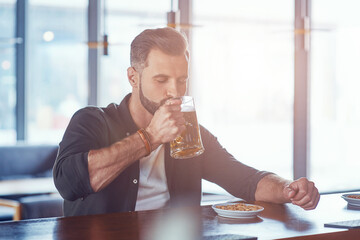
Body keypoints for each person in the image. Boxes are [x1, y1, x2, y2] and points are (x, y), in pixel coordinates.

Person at [53, 27, 320, 217]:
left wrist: (289, 189)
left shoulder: (190, 133)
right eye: (161, 80)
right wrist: (150, 137)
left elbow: (245, 179)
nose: (175, 91)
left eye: (182, 80)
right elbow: (69, 184)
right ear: (133, 78)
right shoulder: (92, 120)